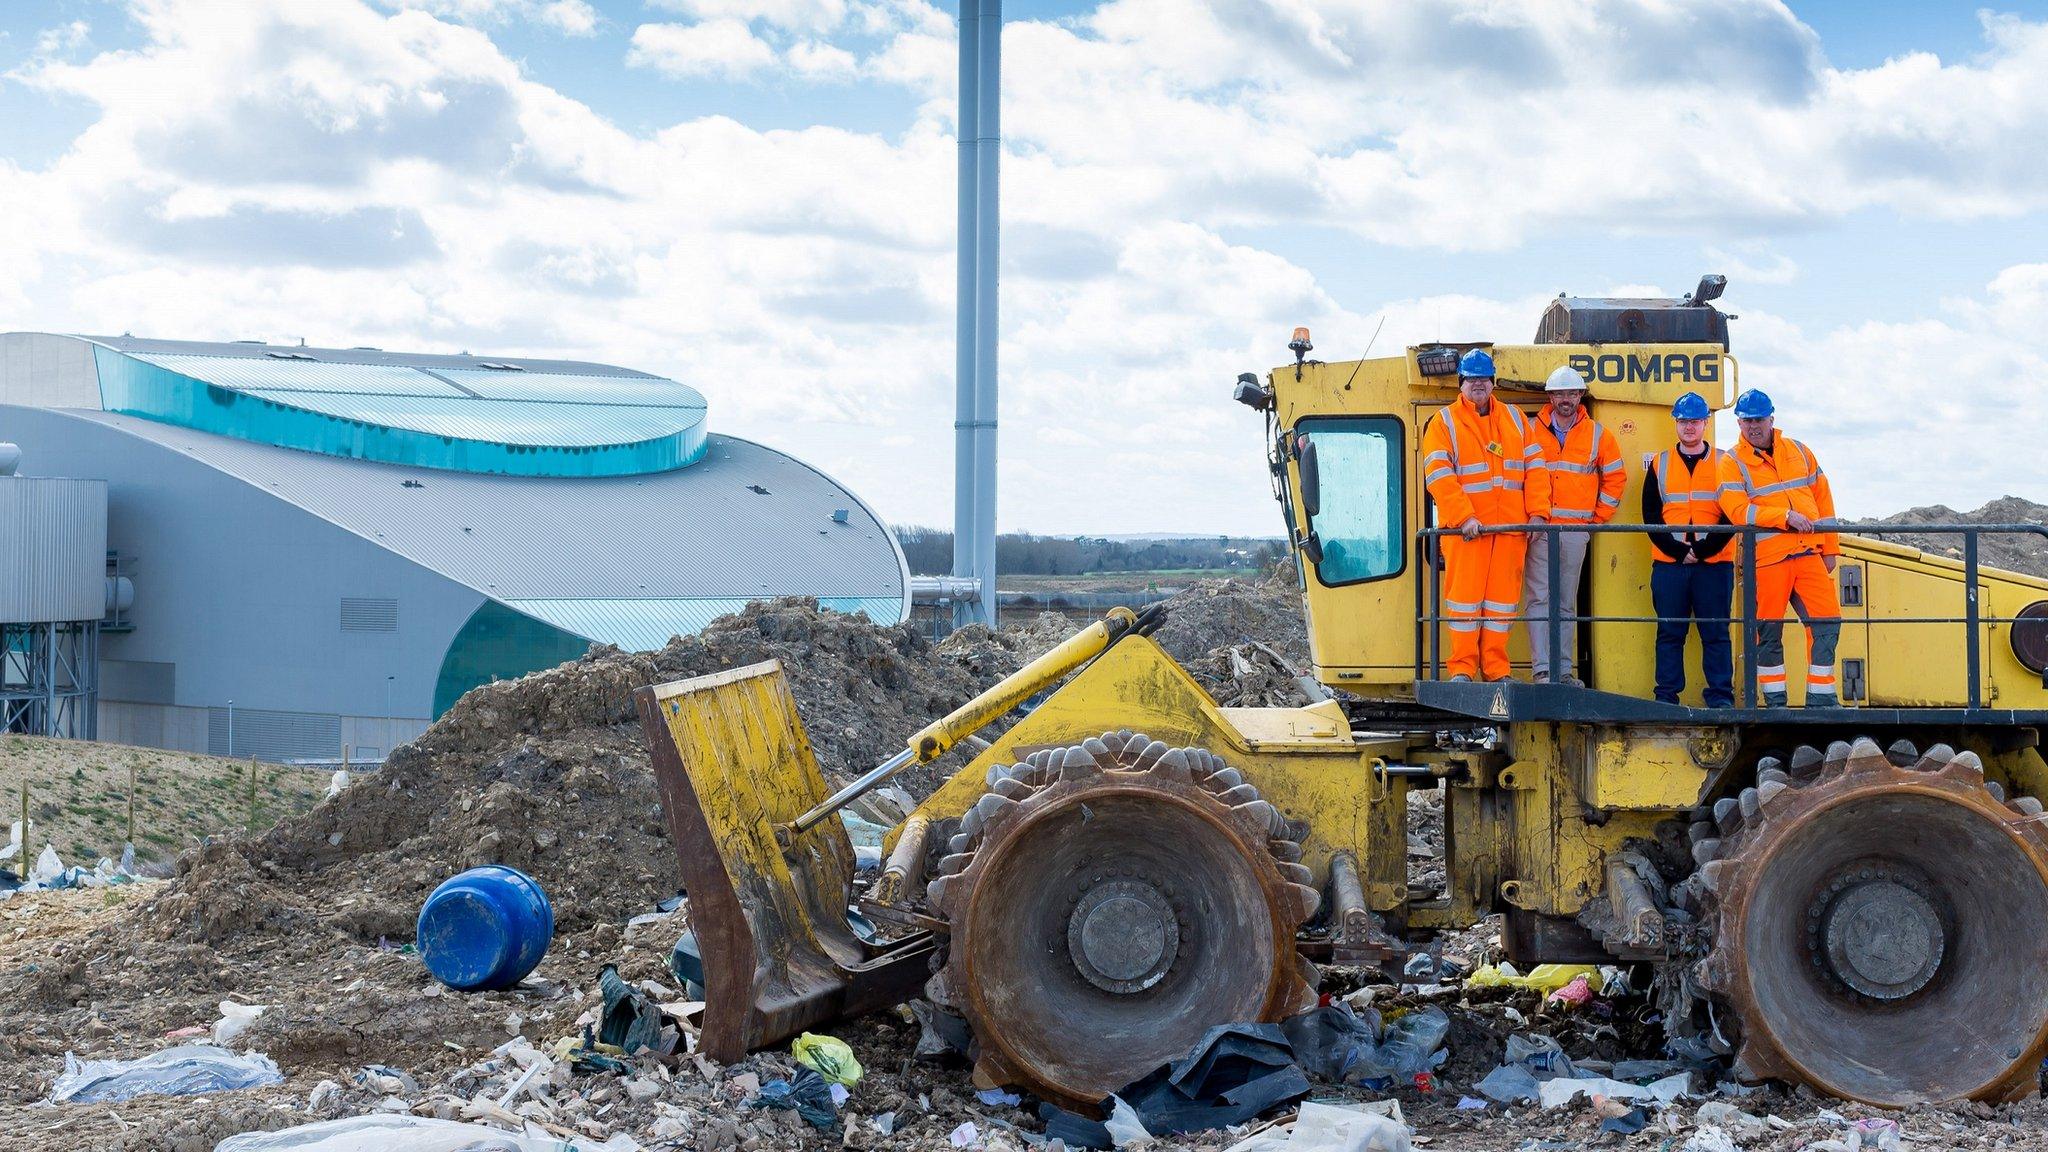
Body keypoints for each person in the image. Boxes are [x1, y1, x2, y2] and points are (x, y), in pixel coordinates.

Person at [1421, 349, 1552, 682]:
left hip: (1509, 531)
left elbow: (1536, 468)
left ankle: (1496, 670)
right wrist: (1464, 517)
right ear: (1461, 383)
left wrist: (1538, 513)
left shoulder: (1515, 419)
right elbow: (1438, 474)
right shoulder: (1444, 422)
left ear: (1493, 382)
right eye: (1472, 379)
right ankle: (1462, 669)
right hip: (1467, 532)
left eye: (1483, 378)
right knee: (1464, 603)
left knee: (1501, 607)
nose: (1478, 385)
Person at [1717, 389, 1841, 707]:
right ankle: (1775, 703)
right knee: (1768, 632)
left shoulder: (1799, 451)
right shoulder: (1731, 462)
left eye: (1758, 419)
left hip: (1809, 552)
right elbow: (1738, 511)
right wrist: (1784, 517)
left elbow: (1823, 500)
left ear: (1772, 418)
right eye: (1746, 421)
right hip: (1770, 559)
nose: (1753, 426)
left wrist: (1830, 548)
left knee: (1827, 621)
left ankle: (1821, 699)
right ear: (1739, 423)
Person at [1525, 365, 1624, 686]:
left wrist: (1595, 520)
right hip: (1539, 529)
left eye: (1571, 393)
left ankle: (1563, 672)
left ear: (1580, 395)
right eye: (1559, 393)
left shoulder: (1598, 434)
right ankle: (1543, 671)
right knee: (1540, 599)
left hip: (1572, 532)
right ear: (1550, 397)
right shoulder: (1529, 430)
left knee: (1565, 603)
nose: (1565, 399)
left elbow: (1616, 477)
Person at [1643, 391, 1735, 706]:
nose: (1689, 427)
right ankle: (1666, 697)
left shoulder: (1726, 462)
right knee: (1670, 634)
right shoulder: (1659, 463)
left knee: (1716, 634)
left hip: (1715, 564)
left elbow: (1731, 513)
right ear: (1676, 424)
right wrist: (1680, 551)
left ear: (1706, 423)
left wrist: (1704, 549)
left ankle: (1721, 697)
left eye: (1695, 421)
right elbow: (1651, 517)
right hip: (1671, 565)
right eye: (1683, 421)